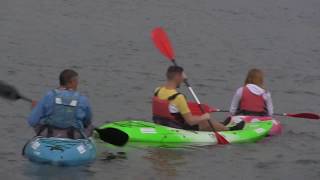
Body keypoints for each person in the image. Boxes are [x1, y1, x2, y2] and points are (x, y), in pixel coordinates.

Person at [152, 66, 244, 131]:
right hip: (177, 127)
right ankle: (228, 129)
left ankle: (221, 125)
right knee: (206, 120)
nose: (182, 80)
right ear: (178, 77)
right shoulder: (178, 97)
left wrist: (181, 76)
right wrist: (203, 117)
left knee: (200, 117)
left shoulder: (158, 90)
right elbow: (190, 121)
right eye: (181, 77)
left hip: (162, 123)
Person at [28, 69, 93, 139]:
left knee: (38, 119)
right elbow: (87, 121)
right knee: (90, 127)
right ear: (72, 82)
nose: (77, 84)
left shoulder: (49, 96)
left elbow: (32, 121)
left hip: (49, 134)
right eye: (76, 81)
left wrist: (35, 108)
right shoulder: (82, 99)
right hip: (74, 136)